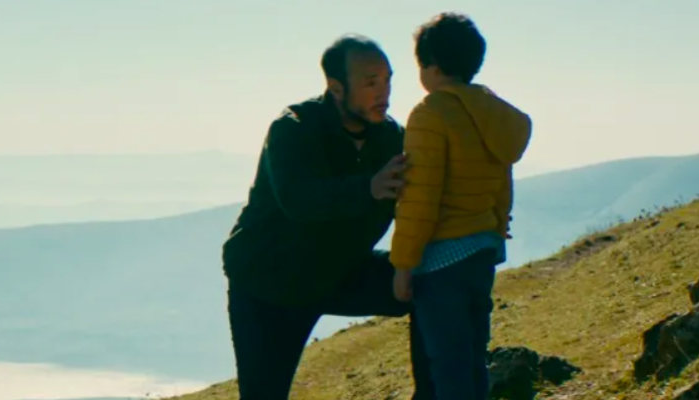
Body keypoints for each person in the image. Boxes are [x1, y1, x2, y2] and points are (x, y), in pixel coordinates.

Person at [221, 34, 434, 400]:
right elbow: (299, 201)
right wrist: (368, 188)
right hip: (270, 285)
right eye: (370, 82)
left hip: (340, 272)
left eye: (388, 80)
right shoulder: (293, 128)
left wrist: (480, 217)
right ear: (336, 88)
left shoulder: (392, 138)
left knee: (431, 281)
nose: (383, 92)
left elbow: (418, 199)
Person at [389, 13, 532, 400]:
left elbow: (420, 198)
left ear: (432, 66)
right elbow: (502, 182)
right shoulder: (492, 114)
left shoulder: (430, 114)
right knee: (472, 358)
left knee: (447, 365)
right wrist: (497, 230)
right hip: (483, 250)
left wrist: (403, 264)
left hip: (441, 261)